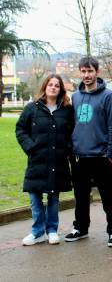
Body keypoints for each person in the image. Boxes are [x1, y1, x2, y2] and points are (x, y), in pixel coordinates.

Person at [65, 56, 112, 247]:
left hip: (100, 155)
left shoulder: (108, 96)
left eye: (90, 71)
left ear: (97, 72)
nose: (86, 75)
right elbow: (74, 124)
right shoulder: (76, 96)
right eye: (83, 71)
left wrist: (110, 153)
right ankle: (80, 227)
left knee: (109, 197)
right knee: (80, 196)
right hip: (79, 155)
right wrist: (72, 150)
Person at [16, 74, 74, 246]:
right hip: (37, 160)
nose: (53, 87)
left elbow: (72, 132)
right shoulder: (32, 108)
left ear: (61, 89)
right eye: (50, 84)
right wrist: (30, 147)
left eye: (57, 85)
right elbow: (20, 129)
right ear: (45, 87)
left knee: (53, 197)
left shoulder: (66, 110)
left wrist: (67, 149)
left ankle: (52, 230)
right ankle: (37, 231)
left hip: (57, 160)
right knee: (35, 197)